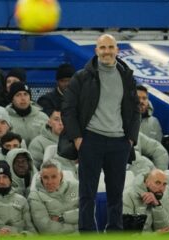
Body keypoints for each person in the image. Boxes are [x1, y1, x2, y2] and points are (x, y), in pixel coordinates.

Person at [59, 34, 140, 232]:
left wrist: (130, 139)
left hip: (119, 142)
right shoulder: (82, 76)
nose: (107, 51)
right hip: (90, 140)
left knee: (116, 194)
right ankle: (87, 233)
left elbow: (136, 108)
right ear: (96, 51)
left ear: (117, 50)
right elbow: (68, 109)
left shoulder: (126, 77)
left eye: (110, 47)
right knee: (87, 194)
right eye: (102, 47)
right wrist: (78, 138)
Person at [28, 160, 79, 234]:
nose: (49, 182)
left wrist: (62, 218)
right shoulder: (35, 196)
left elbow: (88, 214)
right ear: (41, 177)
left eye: (54, 176)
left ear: (61, 175)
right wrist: (76, 227)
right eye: (45, 177)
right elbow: (46, 229)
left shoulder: (76, 186)